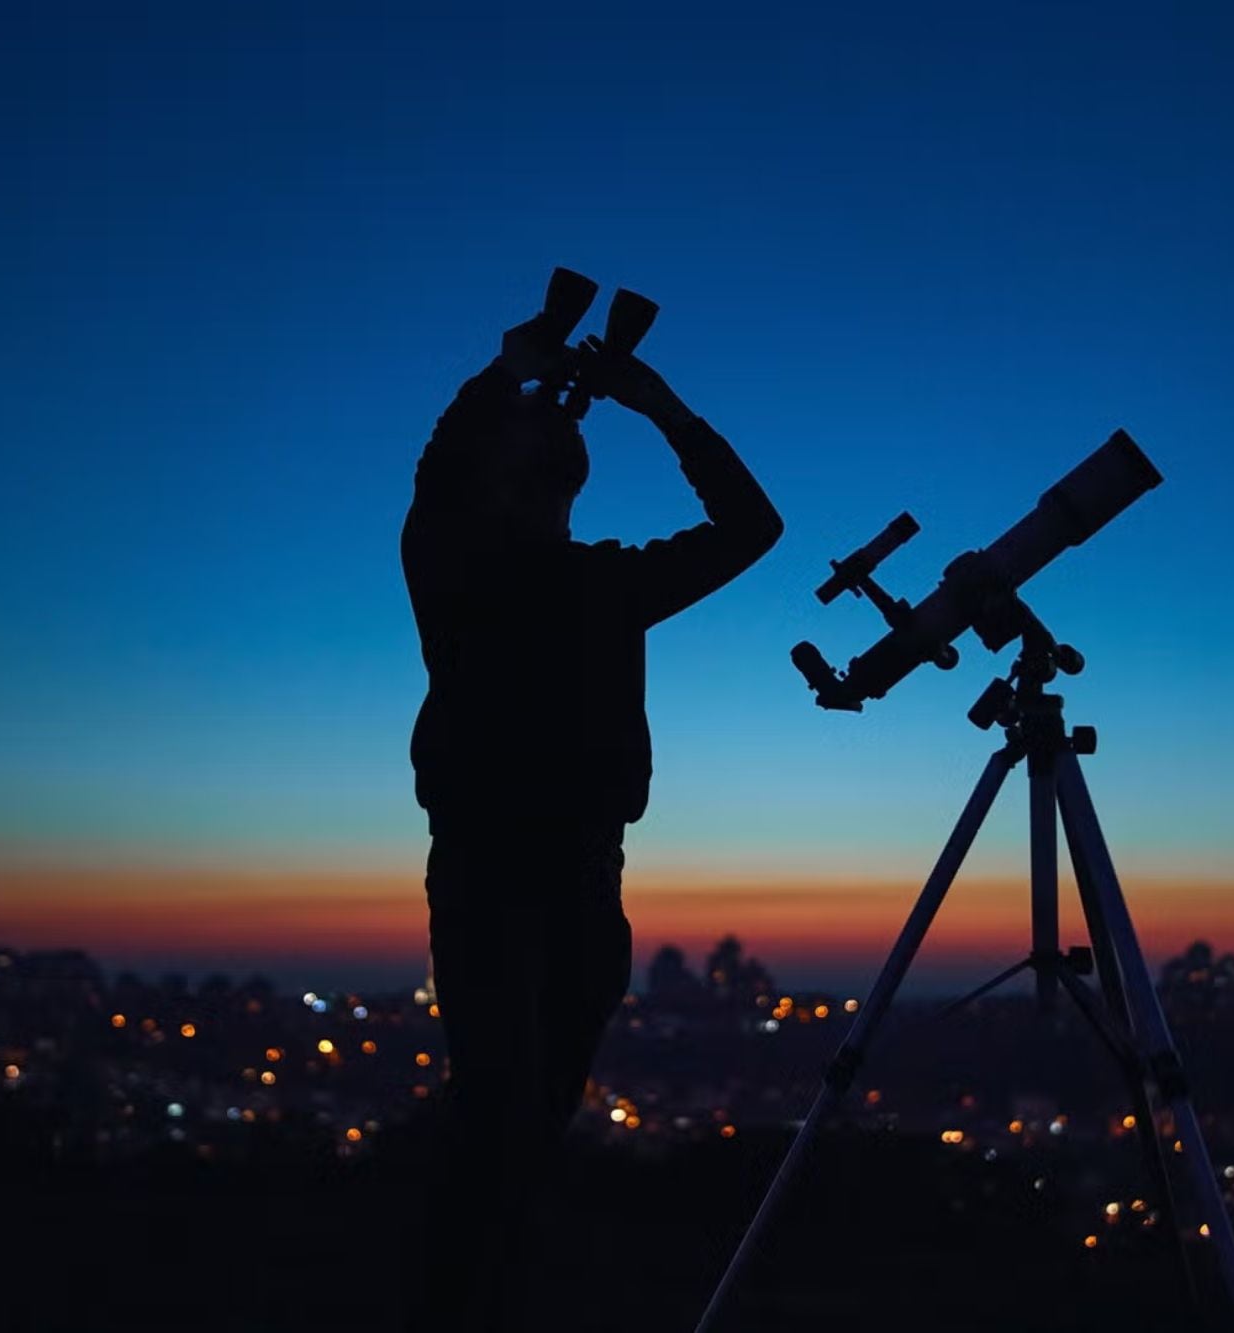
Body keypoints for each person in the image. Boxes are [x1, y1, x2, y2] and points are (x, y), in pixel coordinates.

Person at [401, 304, 782, 1328]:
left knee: (520, 1119)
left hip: (557, 874)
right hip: (516, 872)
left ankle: (480, 1296)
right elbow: (749, 526)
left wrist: (505, 378)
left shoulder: (467, 565)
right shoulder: (534, 574)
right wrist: (653, 406)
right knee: (500, 1117)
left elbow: (442, 469)